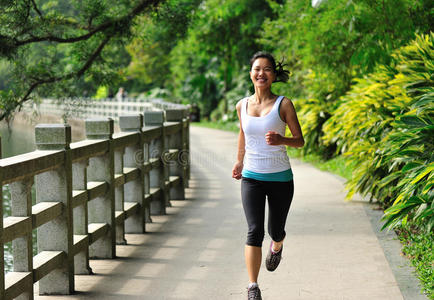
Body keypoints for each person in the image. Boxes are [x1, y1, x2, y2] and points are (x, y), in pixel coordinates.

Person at [231, 52, 304, 300]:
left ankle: (278, 245)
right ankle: (253, 286)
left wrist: (281, 139)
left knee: (276, 230)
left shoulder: (284, 104)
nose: (261, 73)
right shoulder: (242, 105)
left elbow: (300, 141)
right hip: (251, 176)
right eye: (256, 69)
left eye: (266, 69)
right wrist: (239, 161)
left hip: (280, 178)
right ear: (251, 73)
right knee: (254, 231)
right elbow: (243, 134)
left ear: (273, 75)